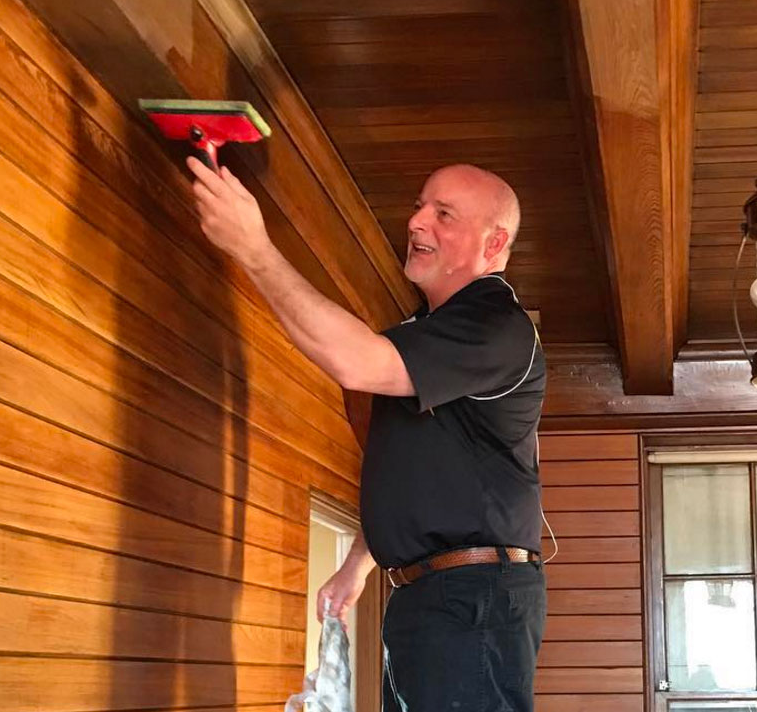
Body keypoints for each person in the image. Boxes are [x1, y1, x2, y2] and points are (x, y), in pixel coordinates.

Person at [188, 158, 548, 711]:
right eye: (419, 207)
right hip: (436, 595)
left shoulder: (496, 325)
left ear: (494, 241)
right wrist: (358, 565)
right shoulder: (430, 338)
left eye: (443, 214)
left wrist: (254, 249)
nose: (417, 222)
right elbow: (417, 475)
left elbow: (356, 362)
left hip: (472, 601)